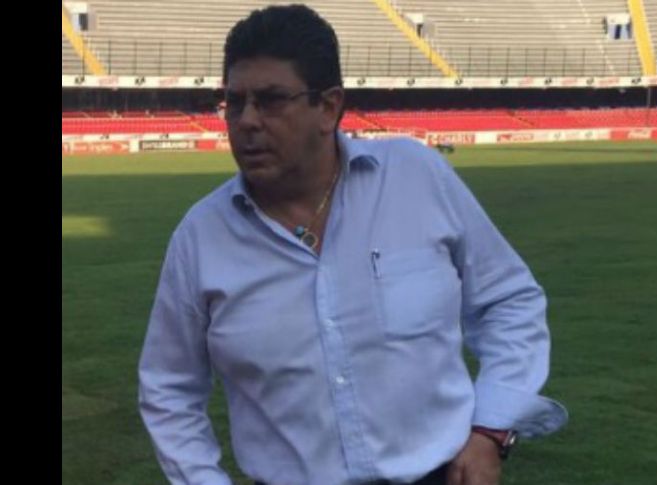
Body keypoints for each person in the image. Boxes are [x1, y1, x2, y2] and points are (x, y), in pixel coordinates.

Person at [138, 5, 567, 485]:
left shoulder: (415, 177)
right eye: (234, 102)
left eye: (271, 100)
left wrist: (490, 429)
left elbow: (509, 300)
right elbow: (168, 387)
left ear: (328, 107)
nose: (247, 121)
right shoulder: (201, 237)